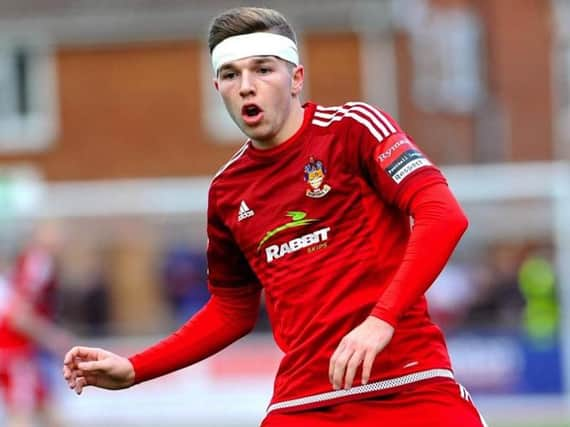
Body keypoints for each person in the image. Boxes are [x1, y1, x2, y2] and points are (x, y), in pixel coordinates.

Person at [62, 6, 487, 426]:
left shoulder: (352, 129)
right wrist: (136, 369)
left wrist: (380, 321)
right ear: (218, 87)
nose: (247, 86)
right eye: (231, 75)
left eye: (262, 69)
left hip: (410, 383)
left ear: (296, 78)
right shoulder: (228, 191)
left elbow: (442, 215)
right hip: (305, 403)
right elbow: (232, 309)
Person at [0, 221, 71, 427]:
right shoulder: (38, 263)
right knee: (22, 415)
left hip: (22, 349)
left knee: (46, 408)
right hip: (16, 350)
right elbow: (19, 314)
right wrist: (52, 338)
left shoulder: (30, 264)